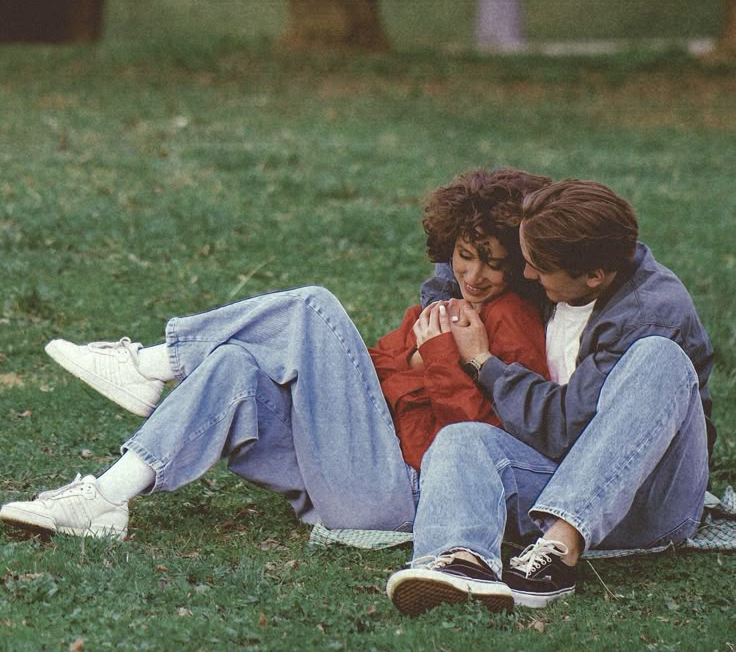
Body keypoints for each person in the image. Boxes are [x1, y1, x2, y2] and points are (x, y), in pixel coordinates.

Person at [0, 168, 549, 545]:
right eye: (463, 256)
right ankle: (104, 499)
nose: (473, 275)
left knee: (312, 307)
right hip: (353, 467)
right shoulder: (444, 306)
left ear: (519, 265)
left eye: (491, 263)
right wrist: (414, 364)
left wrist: (441, 363)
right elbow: (373, 370)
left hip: (405, 493)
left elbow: (482, 446)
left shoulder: (512, 323)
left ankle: (152, 364)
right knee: (235, 364)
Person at [386, 178, 715, 616]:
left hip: (649, 502)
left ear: (594, 276)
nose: (526, 274)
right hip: (560, 480)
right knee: (463, 436)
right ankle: (461, 561)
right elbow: (465, 256)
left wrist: (484, 363)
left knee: (660, 358)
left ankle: (559, 551)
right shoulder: (560, 258)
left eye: (537, 267)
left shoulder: (649, 312)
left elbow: (564, 430)